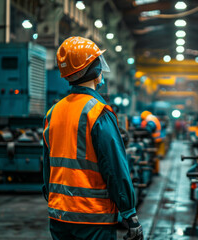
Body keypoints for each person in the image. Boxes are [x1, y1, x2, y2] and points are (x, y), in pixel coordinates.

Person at [42, 36, 143, 240]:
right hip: (92, 218)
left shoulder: (53, 112)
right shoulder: (98, 113)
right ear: (94, 70)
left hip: (59, 216)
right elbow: (115, 168)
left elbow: (46, 167)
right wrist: (129, 214)